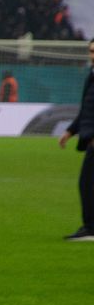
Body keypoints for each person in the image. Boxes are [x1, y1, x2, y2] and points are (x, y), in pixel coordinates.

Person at [57, 39, 94, 242]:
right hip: (89, 139)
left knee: (86, 183)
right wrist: (71, 131)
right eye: (90, 51)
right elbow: (87, 109)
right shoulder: (91, 75)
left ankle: (91, 228)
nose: (92, 55)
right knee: (86, 183)